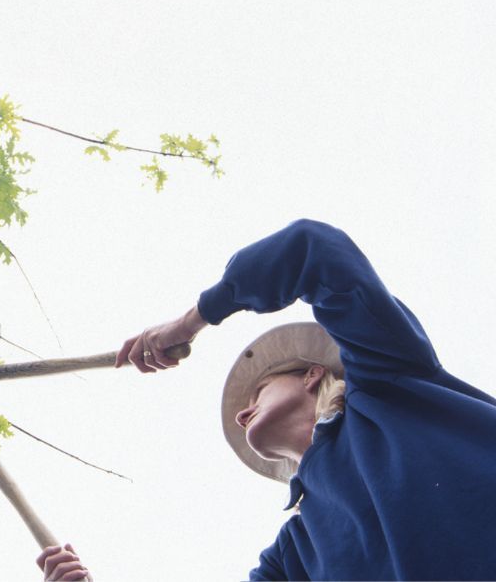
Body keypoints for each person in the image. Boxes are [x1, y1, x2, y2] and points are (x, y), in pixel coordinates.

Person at [36, 219, 496, 580]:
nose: (241, 414)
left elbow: (313, 250)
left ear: (312, 374)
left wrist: (190, 322)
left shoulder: (385, 381)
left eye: (258, 391)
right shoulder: (293, 556)